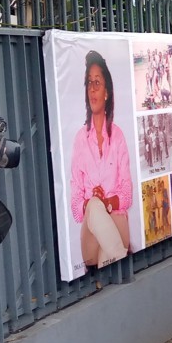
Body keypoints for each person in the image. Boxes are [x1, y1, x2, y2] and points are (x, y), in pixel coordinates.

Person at [70, 50, 133, 271]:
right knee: (94, 206)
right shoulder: (80, 140)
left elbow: (127, 194)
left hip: (116, 220)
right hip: (91, 232)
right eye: (89, 83)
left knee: (106, 255)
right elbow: (76, 205)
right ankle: (120, 256)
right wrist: (92, 203)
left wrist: (107, 202)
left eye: (97, 82)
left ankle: (111, 262)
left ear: (106, 93)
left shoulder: (118, 136)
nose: (92, 88)